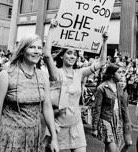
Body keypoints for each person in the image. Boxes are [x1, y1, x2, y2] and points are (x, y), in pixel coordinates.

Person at [0, 34, 59, 152]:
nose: (36, 51)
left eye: (39, 48)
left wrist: (54, 138)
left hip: (34, 138)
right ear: (22, 50)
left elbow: (47, 106)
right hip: (9, 138)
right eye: (32, 47)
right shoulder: (6, 75)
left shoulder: (43, 76)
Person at [43, 19, 108, 152]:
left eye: (75, 54)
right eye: (69, 53)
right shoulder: (56, 74)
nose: (72, 56)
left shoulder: (80, 73)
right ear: (62, 56)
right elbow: (47, 55)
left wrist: (105, 41)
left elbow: (101, 62)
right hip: (58, 126)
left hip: (76, 124)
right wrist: (51, 29)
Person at [92, 64, 131, 152]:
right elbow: (96, 108)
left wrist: (127, 121)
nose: (122, 74)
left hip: (118, 120)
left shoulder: (118, 86)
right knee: (113, 149)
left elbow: (122, 107)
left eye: (122, 72)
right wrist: (94, 128)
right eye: (119, 72)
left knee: (114, 149)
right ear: (112, 74)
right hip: (106, 120)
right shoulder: (102, 88)